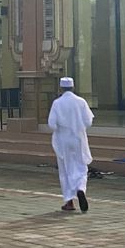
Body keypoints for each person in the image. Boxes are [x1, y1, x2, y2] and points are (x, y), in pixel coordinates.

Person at [48, 76, 94, 214]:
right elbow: (89, 121)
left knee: (65, 170)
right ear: (73, 87)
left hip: (63, 140)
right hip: (78, 139)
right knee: (81, 167)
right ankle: (81, 189)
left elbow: (52, 124)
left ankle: (69, 201)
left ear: (60, 88)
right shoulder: (81, 102)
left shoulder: (57, 103)